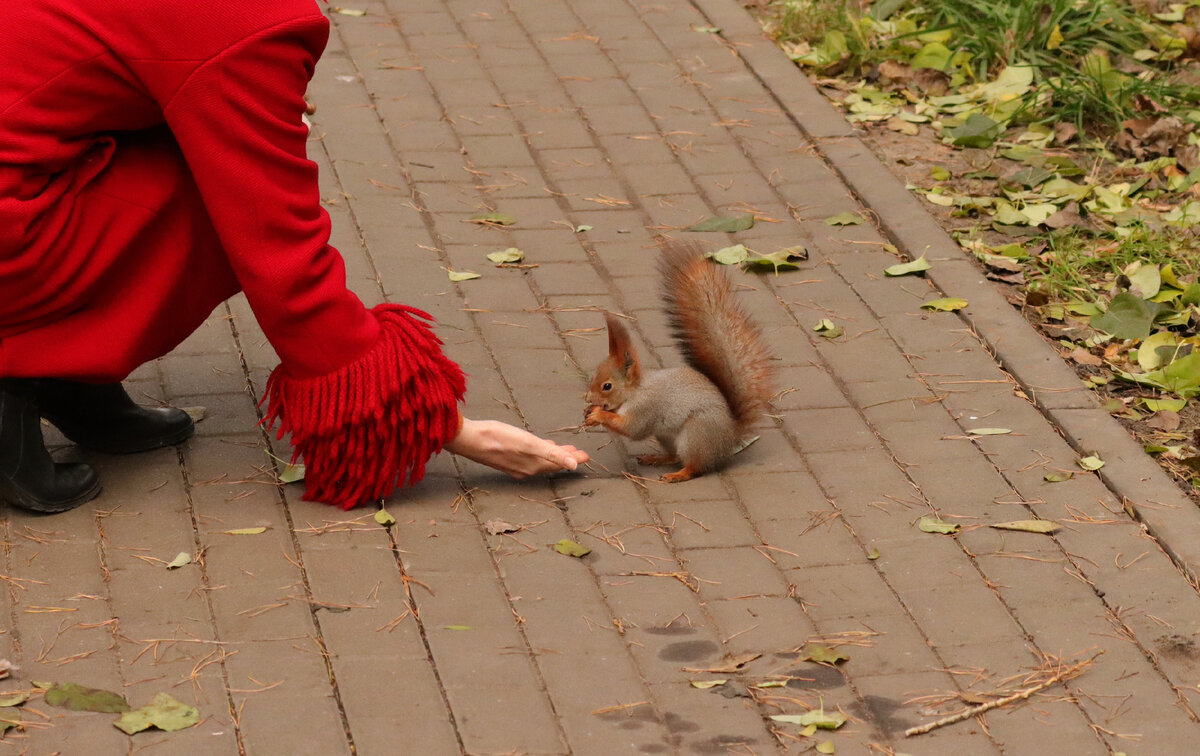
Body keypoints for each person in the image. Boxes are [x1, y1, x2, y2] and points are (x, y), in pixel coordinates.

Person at [0, 0, 587, 513]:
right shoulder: (247, 18)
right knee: (226, 195)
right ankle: (18, 376)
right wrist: (445, 427)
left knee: (201, 145)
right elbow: (282, 253)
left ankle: (67, 374)